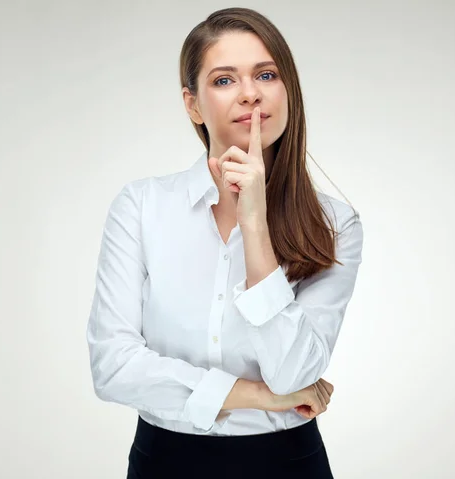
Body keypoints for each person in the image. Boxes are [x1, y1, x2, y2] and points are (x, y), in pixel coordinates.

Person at [86, 7, 364, 479]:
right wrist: (257, 396)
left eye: (266, 74)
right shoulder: (142, 206)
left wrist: (255, 223)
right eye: (223, 80)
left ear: (288, 90)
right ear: (192, 104)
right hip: (164, 462)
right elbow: (113, 367)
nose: (250, 93)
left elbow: (293, 375)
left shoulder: (335, 223)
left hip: (287, 463)